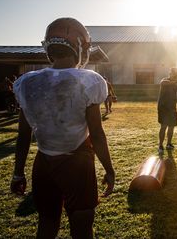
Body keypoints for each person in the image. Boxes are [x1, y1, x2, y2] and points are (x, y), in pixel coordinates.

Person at [10, 17, 115, 239]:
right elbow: (96, 133)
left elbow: (23, 135)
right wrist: (109, 168)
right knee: (82, 226)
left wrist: (18, 173)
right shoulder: (89, 80)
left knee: (47, 224)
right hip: (76, 163)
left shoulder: (27, 82)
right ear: (80, 46)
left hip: (43, 163)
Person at [157, 67, 177, 156]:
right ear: (170, 74)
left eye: (175, 74)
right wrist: (175, 82)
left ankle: (169, 144)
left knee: (171, 126)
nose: (174, 75)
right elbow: (163, 83)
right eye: (173, 73)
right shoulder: (165, 81)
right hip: (163, 107)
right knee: (164, 126)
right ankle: (160, 145)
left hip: (172, 108)